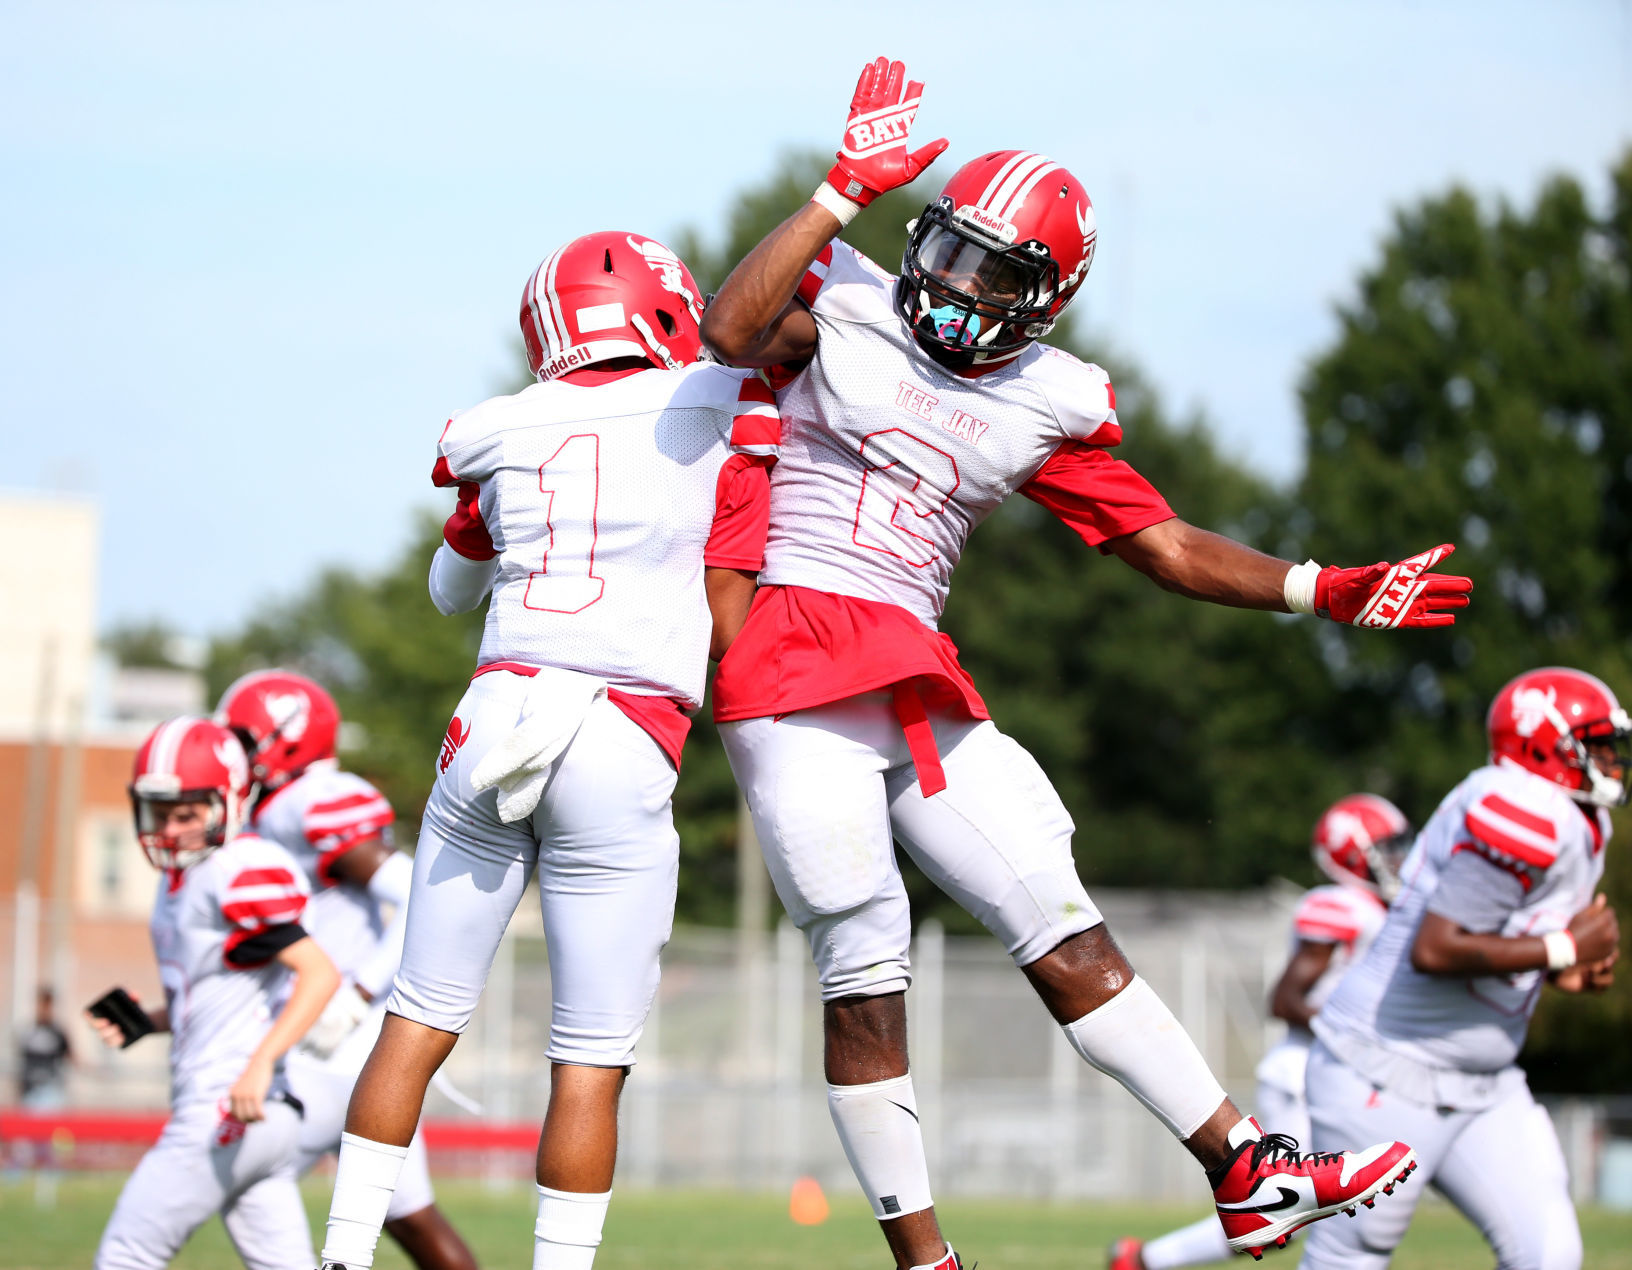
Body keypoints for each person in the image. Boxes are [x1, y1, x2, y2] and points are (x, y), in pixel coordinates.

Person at [699, 54, 1469, 1268]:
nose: (957, 287)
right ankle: (927, 1260)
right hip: (794, 656)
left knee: (1059, 916)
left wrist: (1319, 586)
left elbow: (1164, 543)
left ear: (1043, 300)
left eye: (993, 274)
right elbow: (728, 325)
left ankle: (1247, 1169)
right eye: (951, 253)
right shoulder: (841, 300)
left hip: (914, 675)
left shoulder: (1041, 401)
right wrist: (841, 190)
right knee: (865, 953)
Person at [319, 230, 777, 1270]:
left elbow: (449, 591)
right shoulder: (725, 400)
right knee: (588, 1062)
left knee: (416, 1020)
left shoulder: (502, 427)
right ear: (666, 308)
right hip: (622, 728)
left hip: (495, 718)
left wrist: (480, 520)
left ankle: (342, 1254)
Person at [1297, 667, 1624, 1270]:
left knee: (1549, 1255)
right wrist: (1560, 949)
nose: (1610, 760)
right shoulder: (1524, 808)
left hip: (1484, 1083)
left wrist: (1557, 970)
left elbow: (1502, 930)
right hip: (1384, 1073)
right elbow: (1437, 949)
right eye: (1597, 745)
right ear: (1544, 746)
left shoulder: (1578, 819)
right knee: (1349, 1259)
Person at [214, 670, 476, 1270]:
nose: (234, 755)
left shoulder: (312, 800)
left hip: (328, 1044)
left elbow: (419, 895)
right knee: (411, 1218)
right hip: (345, 1043)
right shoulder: (276, 808)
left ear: (286, 738)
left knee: (241, 1174)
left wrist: (357, 990)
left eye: (244, 740)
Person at [1109, 794, 1413, 1270]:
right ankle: (1142, 1260)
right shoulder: (1341, 905)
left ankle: (1142, 1260)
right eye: (1389, 848)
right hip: (1304, 1074)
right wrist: (1361, 1031)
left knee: (1301, 1207)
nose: (1400, 859)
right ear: (1355, 853)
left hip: (1339, 1072)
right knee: (1282, 1201)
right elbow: (1286, 999)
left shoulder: (1379, 910)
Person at [88, 716, 340, 1270]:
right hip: (260, 1112)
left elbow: (319, 974)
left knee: (127, 1254)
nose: (170, 829)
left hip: (227, 1104)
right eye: (160, 813)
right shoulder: (185, 877)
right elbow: (225, 988)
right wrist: (151, 1020)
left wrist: (260, 1062)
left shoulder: (235, 867)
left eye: (187, 813)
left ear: (228, 801)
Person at [18, 985, 74, 1110]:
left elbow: (71, 1056)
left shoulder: (58, 1032)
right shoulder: (29, 1031)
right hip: (30, 1089)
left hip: (52, 1088)